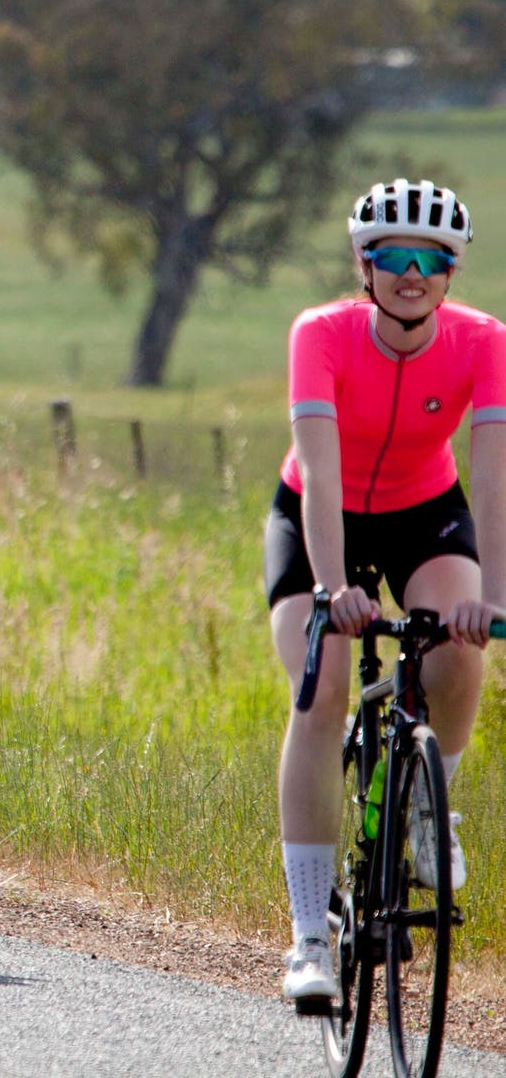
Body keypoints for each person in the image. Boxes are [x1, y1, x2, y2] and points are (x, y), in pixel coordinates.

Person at [269, 178, 506, 1005]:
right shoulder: (322, 334)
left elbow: (492, 473)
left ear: (452, 270)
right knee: (325, 688)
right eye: (393, 257)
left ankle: (428, 809)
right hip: (318, 516)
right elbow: (321, 475)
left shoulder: (483, 340)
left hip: (423, 511)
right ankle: (306, 939)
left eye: (431, 259)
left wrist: (496, 597)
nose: (413, 273)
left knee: (459, 653)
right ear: (363, 265)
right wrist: (333, 587)